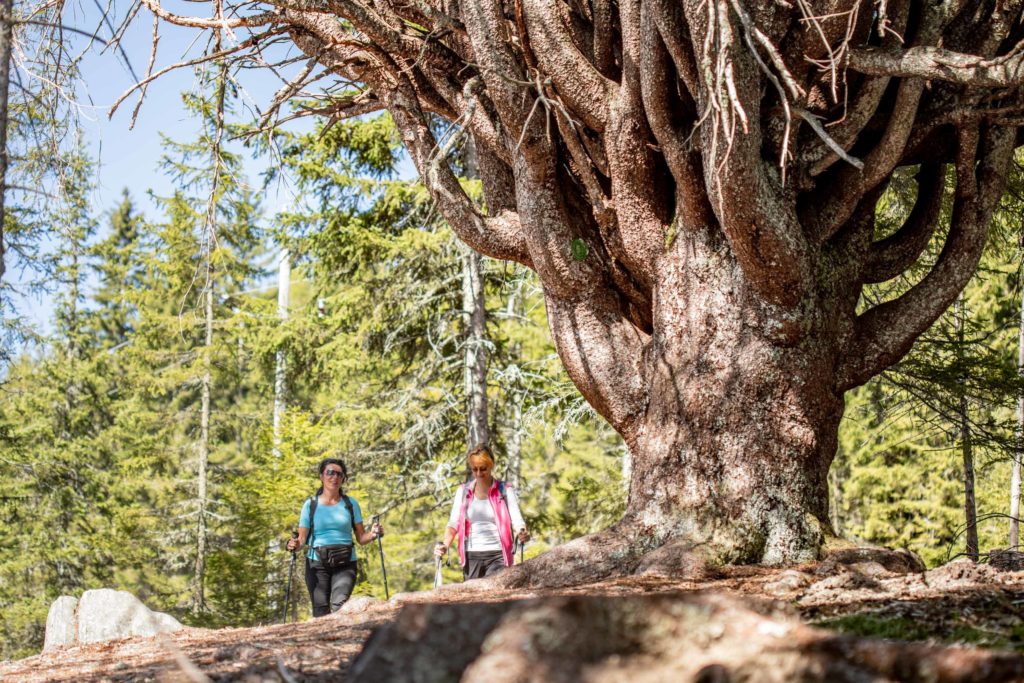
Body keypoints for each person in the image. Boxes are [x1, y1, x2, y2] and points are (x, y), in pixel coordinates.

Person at [286, 458, 383, 616]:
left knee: (340, 607)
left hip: (345, 563)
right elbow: (302, 540)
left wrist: (373, 534)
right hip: (317, 564)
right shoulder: (310, 505)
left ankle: (340, 640)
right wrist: (294, 545)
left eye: (339, 474)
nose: (335, 477)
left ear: (343, 479)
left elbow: (361, 538)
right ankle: (321, 641)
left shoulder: (350, 504)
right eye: (330, 472)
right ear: (321, 476)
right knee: (320, 611)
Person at [434, 445, 529, 580]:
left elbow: (518, 521)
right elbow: (453, 523)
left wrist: (522, 532)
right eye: (474, 469)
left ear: (491, 466)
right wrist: (444, 545)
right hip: (471, 556)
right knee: (474, 599)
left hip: (498, 555)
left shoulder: (504, 490)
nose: (478, 473)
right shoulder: (463, 491)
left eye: (483, 469)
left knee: (495, 596)